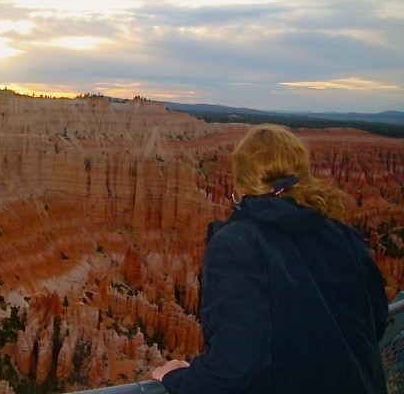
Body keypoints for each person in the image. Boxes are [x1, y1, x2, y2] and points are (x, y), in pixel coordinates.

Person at [152, 124, 388, 393]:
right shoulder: (345, 236)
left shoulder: (237, 244)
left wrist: (180, 380)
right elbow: (375, 322)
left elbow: (238, 360)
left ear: (241, 178)